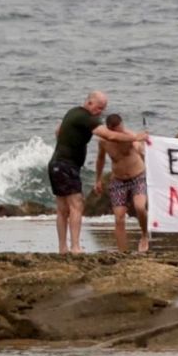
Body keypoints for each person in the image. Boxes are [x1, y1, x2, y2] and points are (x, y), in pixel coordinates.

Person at [49, 92, 146, 255]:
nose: (100, 111)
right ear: (89, 102)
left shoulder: (72, 112)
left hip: (55, 163)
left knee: (62, 208)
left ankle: (63, 248)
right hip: (67, 165)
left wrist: (70, 143)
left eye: (103, 109)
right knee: (76, 205)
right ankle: (75, 247)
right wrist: (136, 136)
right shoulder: (87, 118)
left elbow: (58, 130)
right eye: (99, 108)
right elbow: (109, 135)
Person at [93, 113, 150, 253]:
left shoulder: (130, 136)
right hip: (118, 180)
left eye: (121, 128)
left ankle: (144, 234)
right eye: (117, 130)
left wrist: (141, 147)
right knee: (119, 218)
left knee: (140, 207)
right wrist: (98, 179)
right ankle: (123, 253)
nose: (121, 131)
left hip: (138, 176)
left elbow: (139, 148)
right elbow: (100, 159)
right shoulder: (104, 141)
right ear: (110, 130)